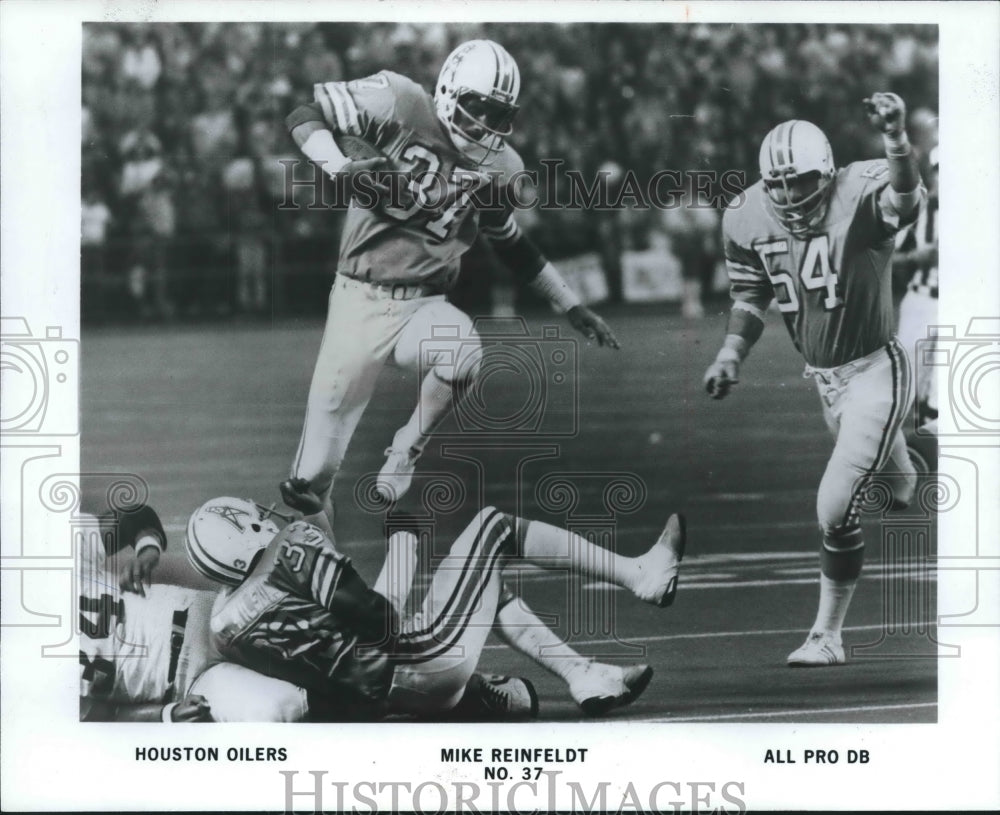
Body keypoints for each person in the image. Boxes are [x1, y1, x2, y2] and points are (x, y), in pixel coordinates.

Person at [284, 39, 619, 526]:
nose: (487, 124)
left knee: (464, 351)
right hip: (359, 301)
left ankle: (406, 450)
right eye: (478, 107)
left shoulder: (503, 166)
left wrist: (569, 304)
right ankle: (315, 579)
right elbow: (303, 113)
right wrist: (340, 169)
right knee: (313, 478)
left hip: (423, 306)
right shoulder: (400, 100)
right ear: (447, 91)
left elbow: (507, 239)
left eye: (499, 114)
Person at [703, 93, 924, 666]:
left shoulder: (858, 193)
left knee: (834, 508)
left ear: (824, 174)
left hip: (877, 369)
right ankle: (902, 469)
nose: (787, 196)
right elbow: (752, 292)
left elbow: (905, 198)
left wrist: (896, 139)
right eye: (775, 186)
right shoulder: (746, 213)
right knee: (897, 486)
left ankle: (828, 635)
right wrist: (731, 351)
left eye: (798, 183)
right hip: (825, 379)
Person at [184, 481, 685, 720]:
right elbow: (380, 618)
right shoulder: (290, 549)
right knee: (495, 528)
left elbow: (326, 649)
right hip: (423, 659)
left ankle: (584, 675)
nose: (264, 516)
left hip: (390, 699)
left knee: (486, 587)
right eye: (253, 516)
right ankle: (642, 575)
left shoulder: (226, 626)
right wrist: (404, 543)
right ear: (245, 530)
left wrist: (323, 520)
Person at [78, 502, 309, 722]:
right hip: (193, 687)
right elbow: (103, 716)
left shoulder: (52, 561)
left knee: (310, 628)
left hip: (207, 616)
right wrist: (167, 715)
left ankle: (316, 510)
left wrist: (147, 552)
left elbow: (133, 516)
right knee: (281, 709)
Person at [894, 144, 939, 430]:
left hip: (960, 306)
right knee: (907, 387)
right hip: (921, 303)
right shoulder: (919, 209)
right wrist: (915, 257)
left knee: (942, 392)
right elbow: (883, 257)